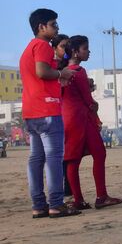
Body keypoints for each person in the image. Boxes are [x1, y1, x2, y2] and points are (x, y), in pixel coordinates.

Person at [20, 8, 80, 218]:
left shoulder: (29, 48)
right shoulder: (43, 45)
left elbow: (39, 75)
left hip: (31, 110)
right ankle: (56, 203)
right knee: (54, 157)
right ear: (41, 27)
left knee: (36, 158)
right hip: (47, 109)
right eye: (54, 24)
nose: (57, 28)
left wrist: (57, 76)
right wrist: (61, 73)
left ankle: (39, 205)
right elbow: (42, 72)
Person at [61, 35, 122, 210]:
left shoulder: (62, 73)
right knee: (99, 153)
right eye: (85, 48)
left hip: (67, 119)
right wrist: (94, 107)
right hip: (82, 118)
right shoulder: (78, 71)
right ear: (75, 52)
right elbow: (88, 100)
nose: (88, 52)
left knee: (72, 160)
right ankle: (101, 196)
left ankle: (78, 199)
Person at [51, 34, 72, 198]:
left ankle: (69, 186)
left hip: (67, 111)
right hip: (56, 111)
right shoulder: (51, 67)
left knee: (69, 152)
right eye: (63, 46)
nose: (66, 49)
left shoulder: (67, 66)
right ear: (55, 48)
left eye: (68, 46)